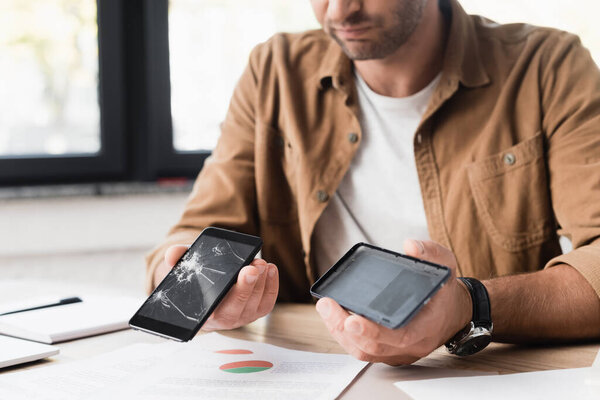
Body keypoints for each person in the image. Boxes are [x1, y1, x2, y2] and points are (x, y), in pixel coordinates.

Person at [146, 0, 600, 363]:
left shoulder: (547, 67)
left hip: (485, 374)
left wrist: (469, 305)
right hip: (318, 369)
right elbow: (197, 230)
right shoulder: (274, 71)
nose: (339, 10)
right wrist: (191, 282)